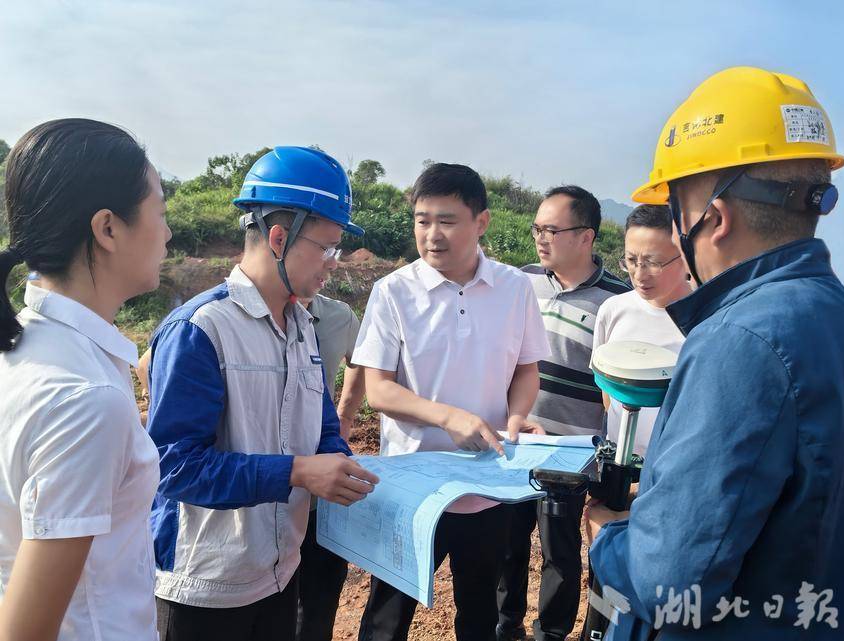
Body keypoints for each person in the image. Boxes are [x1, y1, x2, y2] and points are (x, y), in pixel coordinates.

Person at [587, 66, 844, 640]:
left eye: (674, 210)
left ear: (715, 217)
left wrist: (609, 539)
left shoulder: (739, 340)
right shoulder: (835, 316)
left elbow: (668, 581)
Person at [146, 146, 379, 641]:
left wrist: (337, 459)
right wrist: (298, 472)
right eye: (327, 248)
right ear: (278, 238)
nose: (333, 265)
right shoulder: (201, 329)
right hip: (205, 585)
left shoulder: (303, 327)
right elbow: (174, 466)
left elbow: (321, 424)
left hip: (279, 572)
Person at [353, 163, 550, 641]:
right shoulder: (393, 291)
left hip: (486, 482)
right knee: (387, 615)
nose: (431, 234)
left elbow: (526, 369)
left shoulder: (514, 289)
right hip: (410, 485)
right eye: (422, 220)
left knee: (480, 612)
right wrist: (447, 417)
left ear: (481, 222)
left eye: (446, 221)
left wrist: (517, 416)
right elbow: (378, 389)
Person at [0, 118, 171, 640]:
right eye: (160, 213)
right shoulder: (85, 400)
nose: (167, 233)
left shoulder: (29, 347)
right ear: (108, 228)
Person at [496, 186, 630, 641]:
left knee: (560, 549)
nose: (540, 237)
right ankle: (506, 626)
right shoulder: (522, 282)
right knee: (508, 542)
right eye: (537, 228)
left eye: (551, 230)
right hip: (516, 439)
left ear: (586, 236)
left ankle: (550, 633)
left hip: (570, 450)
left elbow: (614, 387)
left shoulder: (616, 301)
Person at [592, 204, 691, 456]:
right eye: (631, 260)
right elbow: (608, 391)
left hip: (670, 464)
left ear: (684, 254)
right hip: (616, 458)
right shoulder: (613, 310)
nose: (639, 274)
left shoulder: (704, 320)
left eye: (652, 262)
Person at [296, 290, 366, 641]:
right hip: (264, 488)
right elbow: (148, 362)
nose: (328, 265)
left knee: (319, 597)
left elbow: (362, 360)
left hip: (322, 488)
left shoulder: (339, 316)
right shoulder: (228, 315)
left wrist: (345, 416)